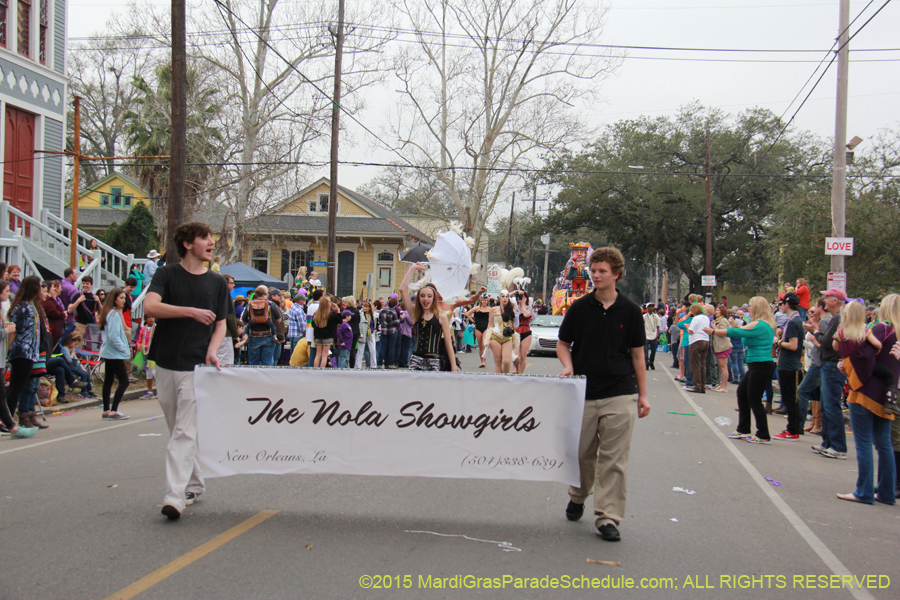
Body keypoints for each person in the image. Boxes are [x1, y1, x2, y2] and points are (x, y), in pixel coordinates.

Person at [557, 247, 648, 542]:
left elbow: (638, 357)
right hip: (583, 392)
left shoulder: (632, 312)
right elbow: (562, 344)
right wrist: (568, 367)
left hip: (620, 393)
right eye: (593, 271)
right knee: (583, 455)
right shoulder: (580, 308)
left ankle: (608, 517)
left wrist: (643, 396)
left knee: (614, 459)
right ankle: (579, 494)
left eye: (601, 271)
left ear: (616, 274)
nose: (595, 276)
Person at [144, 222, 228, 520]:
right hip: (165, 361)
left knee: (183, 431)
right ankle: (193, 482)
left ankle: (173, 497)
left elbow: (221, 323)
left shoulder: (217, 282)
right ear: (187, 243)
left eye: (211, 237)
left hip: (197, 366)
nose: (211, 242)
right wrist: (189, 311)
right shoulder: (166, 274)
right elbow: (150, 307)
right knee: (175, 427)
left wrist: (212, 350)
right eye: (205, 237)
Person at [835, 295, 898, 505]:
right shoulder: (896, 332)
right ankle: (887, 492)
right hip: (889, 395)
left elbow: (856, 352)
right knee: (884, 444)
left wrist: (847, 366)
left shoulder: (880, 329)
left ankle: (864, 491)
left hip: (865, 390)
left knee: (863, 443)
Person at [705, 297, 776, 444]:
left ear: (756, 308)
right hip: (756, 364)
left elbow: (735, 333)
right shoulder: (762, 324)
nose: (746, 309)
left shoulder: (760, 325)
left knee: (754, 399)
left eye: (750, 306)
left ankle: (763, 434)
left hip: (761, 364)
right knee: (743, 393)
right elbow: (738, 331)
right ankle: (743, 428)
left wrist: (713, 331)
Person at [7, 276, 51, 431]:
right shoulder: (23, 307)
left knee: (27, 386)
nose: (43, 290)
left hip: (32, 352)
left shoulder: (33, 306)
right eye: (40, 287)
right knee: (17, 387)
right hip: (22, 352)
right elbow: (14, 330)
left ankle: (26, 415)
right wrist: (8, 351)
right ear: (33, 289)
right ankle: (8, 420)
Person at [814, 288, 849, 460]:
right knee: (826, 406)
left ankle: (838, 446)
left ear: (835, 300)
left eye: (827, 297)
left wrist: (816, 333)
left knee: (831, 405)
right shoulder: (837, 318)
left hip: (832, 365)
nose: (824, 300)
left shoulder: (837, 318)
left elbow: (826, 342)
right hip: (830, 364)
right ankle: (827, 442)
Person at [399, 267, 456, 372]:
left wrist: (453, 366)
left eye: (429, 296)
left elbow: (448, 343)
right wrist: (413, 269)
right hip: (416, 359)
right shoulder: (415, 314)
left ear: (433, 298)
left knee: (432, 388)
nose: (426, 299)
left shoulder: (441, 317)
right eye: (422, 296)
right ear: (418, 298)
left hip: (434, 360)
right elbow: (402, 289)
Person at [0, 279, 33, 437]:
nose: (9, 293)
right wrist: (6, 331)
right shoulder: (21, 308)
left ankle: (11, 426)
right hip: (18, 353)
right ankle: (12, 427)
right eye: (6, 291)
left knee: (2, 394)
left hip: (1, 357)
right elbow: (7, 331)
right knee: (3, 393)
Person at [98, 288, 131, 420]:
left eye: (124, 298)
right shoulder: (113, 314)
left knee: (109, 380)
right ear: (114, 299)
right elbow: (113, 336)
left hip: (109, 351)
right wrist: (124, 348)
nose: (123, 300)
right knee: (124, 381)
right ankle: (113, 410)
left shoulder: (109, 312)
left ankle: (106, 410)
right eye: (121, 298)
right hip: (114, 352)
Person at [242, 287, 277, 367]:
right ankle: (266, 378)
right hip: (268, 334)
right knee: (267, 362)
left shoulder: (250, 304)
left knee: (253, 362)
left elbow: (244, 321)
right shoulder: (270, 304)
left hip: (253, 336)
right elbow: (279, 319)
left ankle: (254, 378)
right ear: (265, 294)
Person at [70, 276, 101, 349]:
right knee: (78, 344)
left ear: (91, 285)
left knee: (92, 345)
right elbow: (69, 310)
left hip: (92, 324)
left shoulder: (94, 297)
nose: (85, 285)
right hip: (80, 324)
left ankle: (92, 359)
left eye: (87, 284)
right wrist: (78, 301)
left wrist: (98, 302)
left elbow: (102, 312)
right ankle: (78, 359)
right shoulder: (78, 296)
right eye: (83, 283)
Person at [685, 303, 710, 394]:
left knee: (695, 364)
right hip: (705, 340)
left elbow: (691, 331)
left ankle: (697, 385)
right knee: (702, 365)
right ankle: (702, 385)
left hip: (696, 341)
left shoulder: (696, 318)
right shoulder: (706, 318)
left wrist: (687, 326)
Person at [312, 295, 341, 368]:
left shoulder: (316, 314)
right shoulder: (331, 314)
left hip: (318, 335)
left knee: (318, 354)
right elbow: (339, 321)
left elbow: (313, 325)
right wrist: (338, 311)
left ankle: (315, 369)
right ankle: (322, 369)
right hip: (328, 336)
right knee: (324, 355)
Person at [710, 305, 732, 393]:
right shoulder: (718, 320)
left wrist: (714, 328)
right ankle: (721, 384)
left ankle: (724, 386)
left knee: (723, 367)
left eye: (718, 310)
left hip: (723, 346)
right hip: (719, 346)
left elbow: (723, 332)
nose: (716, 312)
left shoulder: (723, 321)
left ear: (722, 312)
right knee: (721, 366)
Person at [465, 295, 492, 368]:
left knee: (483, 343)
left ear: (487, 302)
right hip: (478, 327)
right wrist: (473, 321)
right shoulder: (477, 308)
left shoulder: (490, 309)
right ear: (481, 301)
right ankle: (482, 361)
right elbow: (467, 314)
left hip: (486, 327)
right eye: (483, 300)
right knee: (480, 346)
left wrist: (490, 326)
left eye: (485, 301)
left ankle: (484, 361)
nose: (484, 302)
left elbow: (492, 318)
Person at [136, 316, 157, 399]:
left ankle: (160, 390)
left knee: (154, 372)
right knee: (148, 372)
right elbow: (140, 339)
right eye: (149, 317)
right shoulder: (144, 329)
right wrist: (138, 344)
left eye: (153, 317)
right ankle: (150, 391)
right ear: (145, 319)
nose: (151, 319)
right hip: (145, 352)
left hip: (153, 352)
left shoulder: (156, 328)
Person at [513, 291, 533, 374]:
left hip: (526, 332)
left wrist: (523, 305)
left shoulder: (529, 308)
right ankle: (515, 368)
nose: (521, 298)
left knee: (523, 355)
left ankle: (520, 373)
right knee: (515, 355)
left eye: (524, 297)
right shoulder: (514, 307)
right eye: (520, 297)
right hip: (516, 332)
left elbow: (526, 315)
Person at [379, 297, 401, 369]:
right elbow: (395, 322)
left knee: (383, 347)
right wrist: (401, 319)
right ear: (395, 305)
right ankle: (390, 363)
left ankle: (379, 363)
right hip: (392, 331)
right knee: (391, 347)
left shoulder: (382, 310)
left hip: (384, 330)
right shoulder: (393, 311)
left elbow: (380, 320)